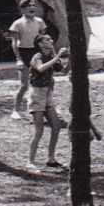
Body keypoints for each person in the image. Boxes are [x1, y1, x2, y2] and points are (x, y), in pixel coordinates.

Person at [27, 32, 65, 168]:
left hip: (48, 95)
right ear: (40, 44)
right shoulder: (37, 57)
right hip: (37, 95)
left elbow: (63, 70)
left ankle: (51, 158)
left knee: (56, 127)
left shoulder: (51, 56)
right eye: (48, 40)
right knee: (39, 130)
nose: (52, 41)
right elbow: (41, 68)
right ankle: (30, 161)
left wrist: (70, 58)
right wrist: (58, 56)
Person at [8, 0, 47, 121]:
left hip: (36, 53)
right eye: (28, 6)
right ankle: (15, 110)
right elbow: (14, 43)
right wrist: (18, 59)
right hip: (24, 53)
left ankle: (46, 107)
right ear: (23, 9)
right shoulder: (18, 24)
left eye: (33, 6)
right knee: (24, 84)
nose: (32, 8)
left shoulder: (40, 22)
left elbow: (43, 40)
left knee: (46, 82)